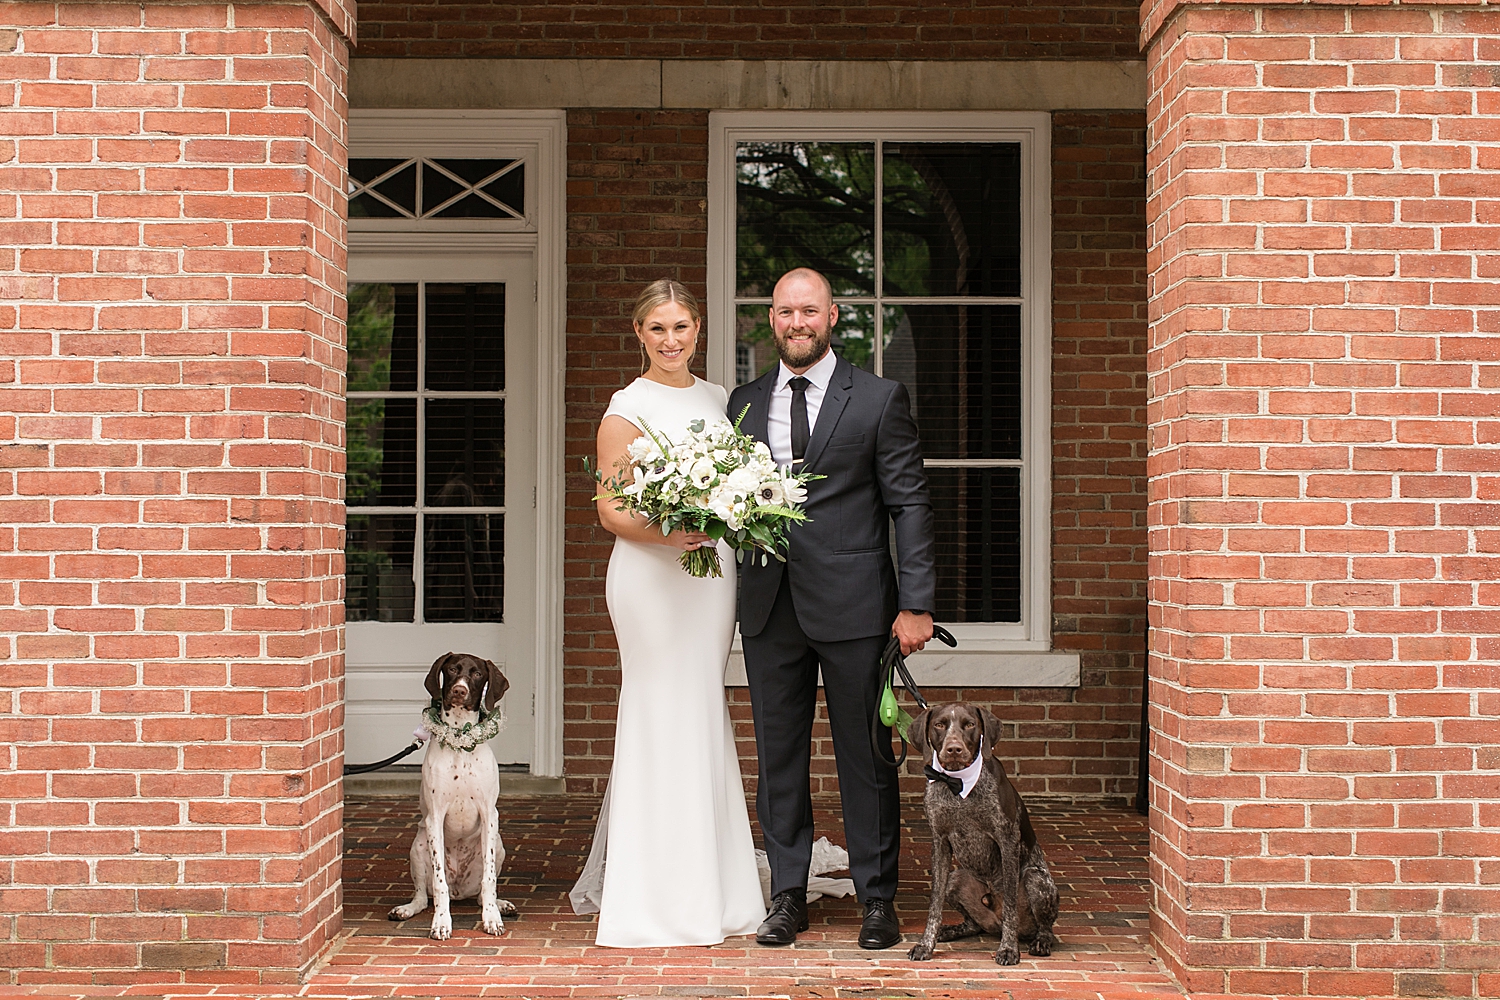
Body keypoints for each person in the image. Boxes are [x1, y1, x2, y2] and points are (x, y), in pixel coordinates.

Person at [728, 267, 936, 950]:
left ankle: (878, 899)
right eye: (785, 312)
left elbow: (907, 504)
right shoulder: (744, 402)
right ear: (771, 319)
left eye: (808, 311)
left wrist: (916, 606)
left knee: (867, 758)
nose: (796, 323)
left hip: (857, 607)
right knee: (778, 759)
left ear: (833, 316)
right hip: (768, 606)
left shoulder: (878, 398)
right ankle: (787, 894)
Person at [569, 279, 766, 947]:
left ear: (699, 328)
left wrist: (732, 512)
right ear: (639, 333)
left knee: (703, 709)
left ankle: (721, 893)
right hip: (651, 581)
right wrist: (669, 533)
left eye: (681, 326)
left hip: (709, 581)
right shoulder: (626, 409)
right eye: (658, 328)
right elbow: (610, 509)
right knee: (658, 713)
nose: (671, 340)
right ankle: (649, 899)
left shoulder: (721, 401)